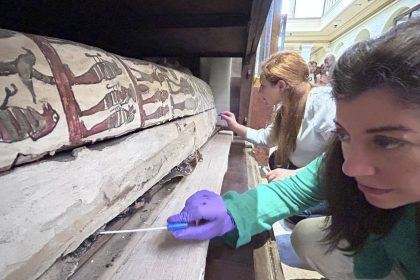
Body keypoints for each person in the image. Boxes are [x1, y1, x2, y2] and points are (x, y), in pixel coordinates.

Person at [168, 19, 420, 279]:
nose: (350, 168)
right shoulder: (290, 116)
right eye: (343, 134)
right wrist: (233, 213)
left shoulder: (320, 105)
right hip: (383, 249)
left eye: (388, 141)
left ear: (282, 85)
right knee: (308, 234)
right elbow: (297, 189)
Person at [220, 51, 335, 182]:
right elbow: (265, 138)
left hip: (319, 182)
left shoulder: (322, 102)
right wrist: (234, 125)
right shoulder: (285, 109)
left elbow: (338, 155)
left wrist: (294, 174)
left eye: (263, 86)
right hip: (300, 176)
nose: (259, 91)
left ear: (281, 85)